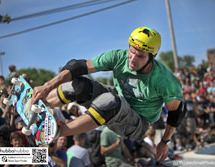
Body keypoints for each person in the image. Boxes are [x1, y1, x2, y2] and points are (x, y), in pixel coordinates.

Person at [31, 27, 184, 162]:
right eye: (131, 51)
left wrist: (164, 142)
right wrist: (47, 86)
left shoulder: (164, 80)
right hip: (118, 103)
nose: (133, 59)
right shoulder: (118, 57)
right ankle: (39, 104)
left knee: (110, 101)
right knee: (79, 84)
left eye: (140, 56)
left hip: (138, 123)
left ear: (151, 57)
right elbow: (78, 66)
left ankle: (55, 132)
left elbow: (176, 113)